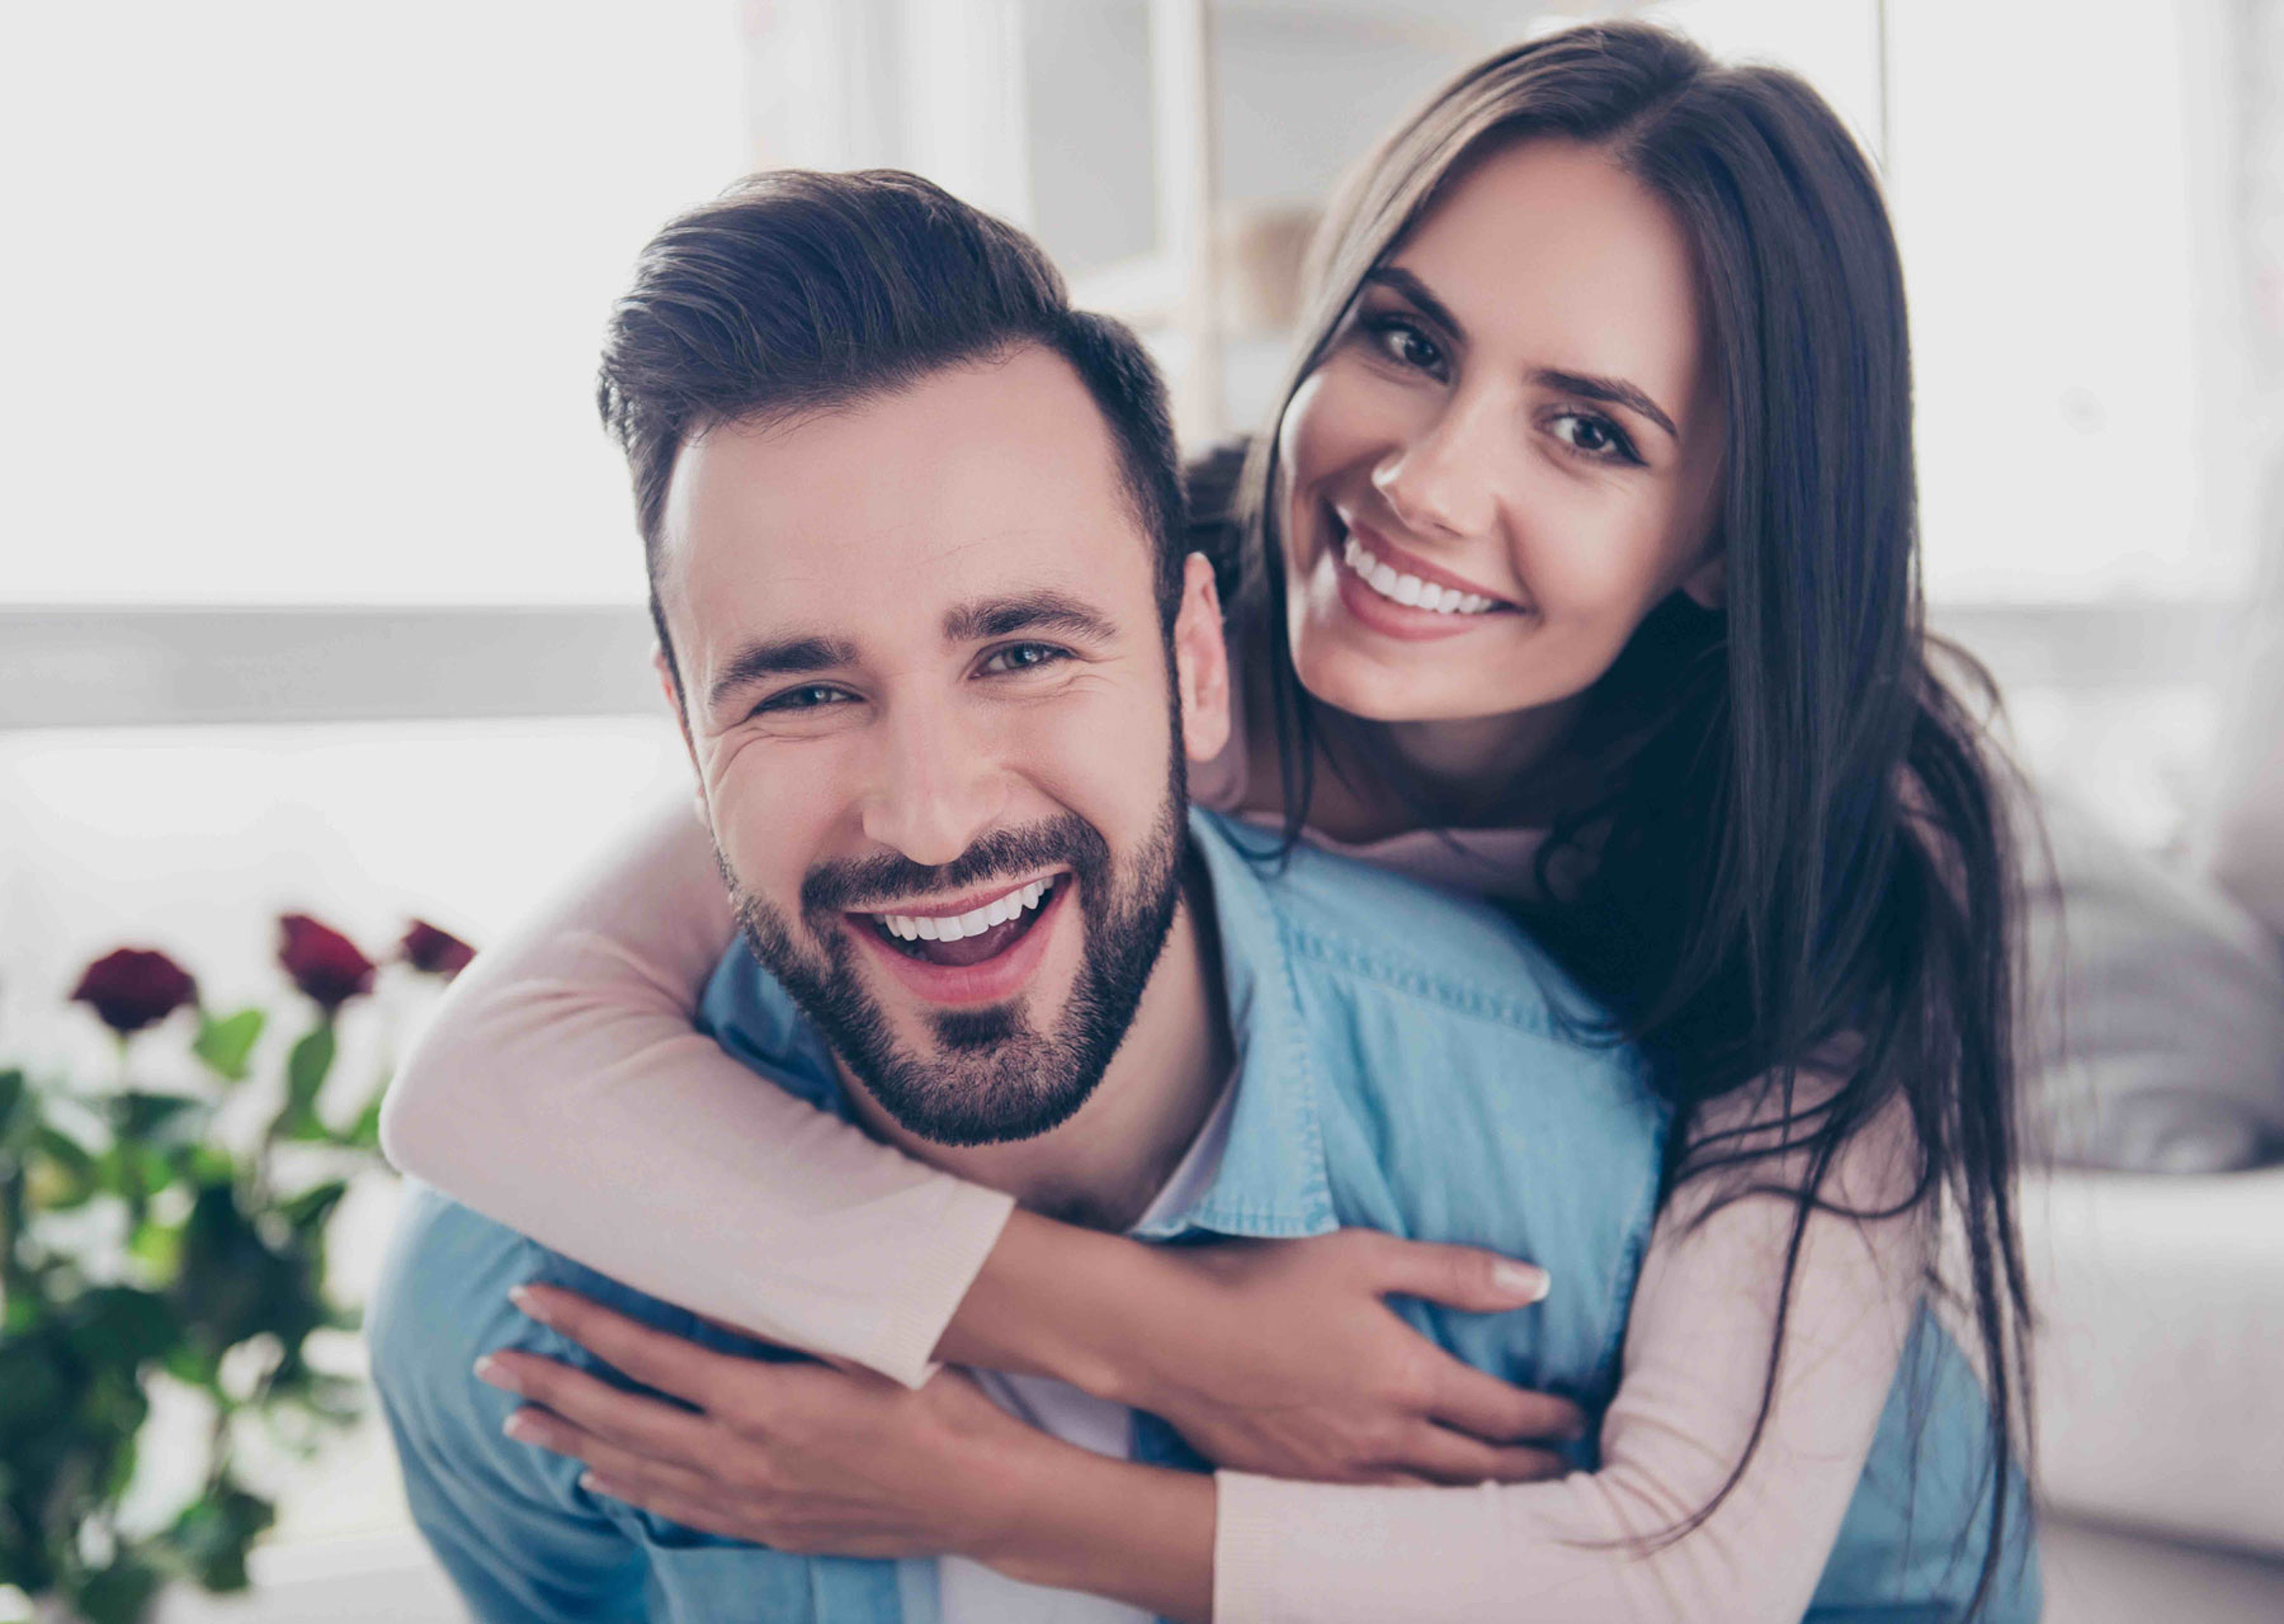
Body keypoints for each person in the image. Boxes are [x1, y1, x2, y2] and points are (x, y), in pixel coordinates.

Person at [377, 20, 2039, 1623]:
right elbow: (491, 1069)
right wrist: (1152, 1332)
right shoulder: (1132, 617)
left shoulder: (1840, 839)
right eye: (1407, 340)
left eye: (1589, 430)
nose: (1429, 481)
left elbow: (1697, 1569)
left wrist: (991, 1495)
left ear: (1727, 541)